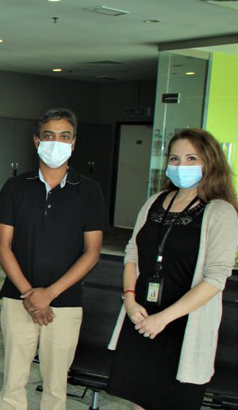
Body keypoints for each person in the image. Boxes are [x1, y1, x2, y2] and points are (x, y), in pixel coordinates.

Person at [106, 128, 238, 410]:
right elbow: (132, 253)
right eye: (175, 159)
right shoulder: (154, 202)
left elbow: (216, 279)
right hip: (141, 317)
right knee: (138, 401)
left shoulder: (220, 212)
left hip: (182, 323)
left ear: (210, 162)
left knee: (171, 401)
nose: (181, 166)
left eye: (192, 158)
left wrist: (164, 318)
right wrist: (129, 300)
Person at [0, 108, 107, 410]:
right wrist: (30, 294)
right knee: (13, 381)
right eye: (49, 136)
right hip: (18, 299)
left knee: (56, 386)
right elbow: (3, 247)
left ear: (74, 143)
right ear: (36, 141)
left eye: (64, 136)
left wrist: (49, 295)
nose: (57, 143)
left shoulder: (89, 191)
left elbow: (92, 252)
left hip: (65, 302)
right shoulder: (16, 186)